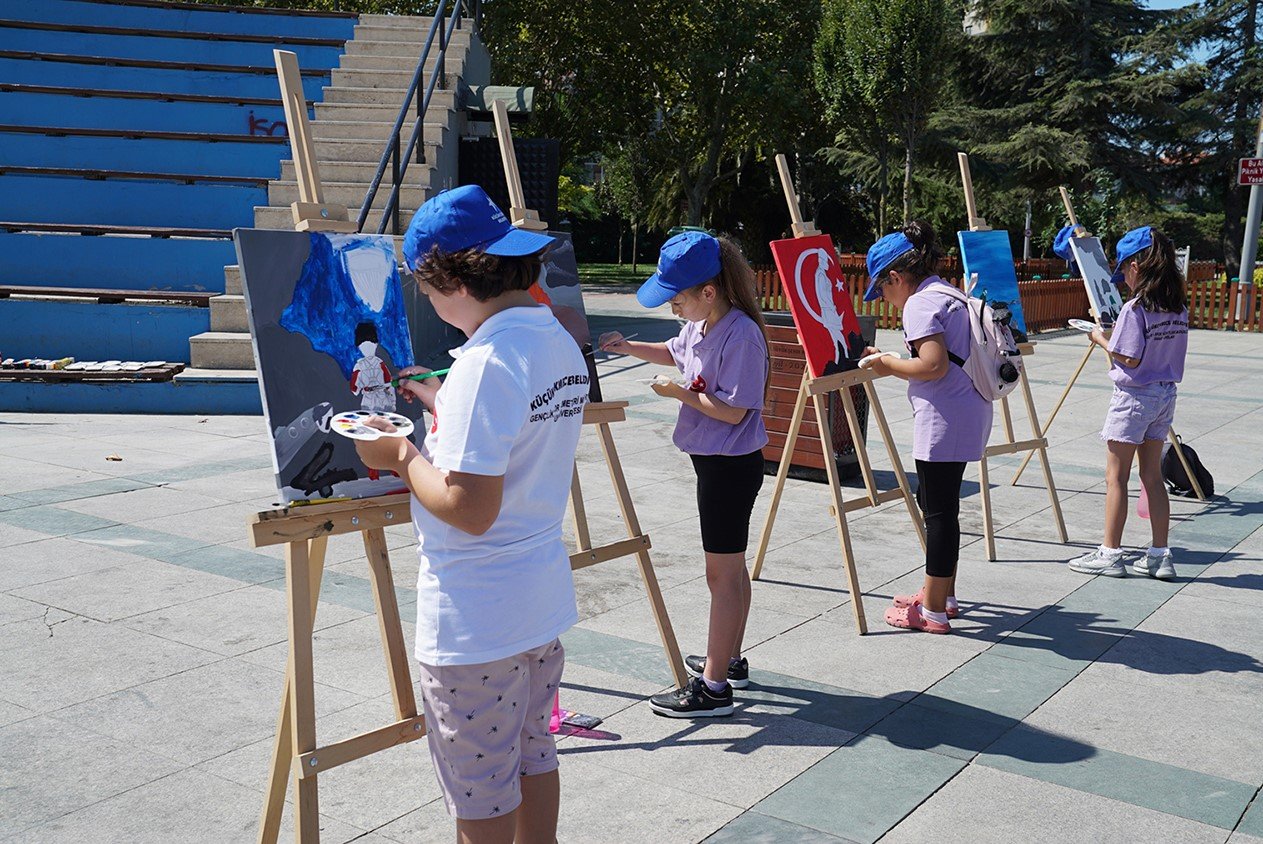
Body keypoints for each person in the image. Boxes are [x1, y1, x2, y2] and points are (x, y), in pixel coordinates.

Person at [353, 184, 590, 844]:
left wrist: (401, 454)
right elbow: (516, 443)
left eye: (425, 290)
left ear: (452, 277)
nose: (426, 305)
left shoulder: (486, 364)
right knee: (534, 753)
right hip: (536, 602)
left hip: (475, 619)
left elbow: (468, 508)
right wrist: (441, 405)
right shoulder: (555, 339)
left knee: (481, 792)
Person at [599, 230, 769, 717]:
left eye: (677, 299)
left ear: (708, 293)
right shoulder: (701, 325)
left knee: (721, 575)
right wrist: (628, 346)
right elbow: (673, 350)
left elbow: (733, 411)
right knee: (731, 570)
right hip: (713, 461)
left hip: (730, 466)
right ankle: (728, 656)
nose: (673, 307)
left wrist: (676, 395)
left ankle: (713, 687)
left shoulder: (741, 335)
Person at [860, 221, 993, 634]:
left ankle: (932, 610)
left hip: (944, 418)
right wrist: (895, 357)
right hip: (968, 410)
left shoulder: (919, 303)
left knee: (937, 512)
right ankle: (942, 593)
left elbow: (931, 365)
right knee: (942, 506)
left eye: (882, 288)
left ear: (896, 277)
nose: (884, 297)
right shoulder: (950, 294)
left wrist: (884, 364)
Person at [1069, 225, 1188, 580]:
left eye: (1123, 268)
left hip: (1135, 397)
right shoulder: (1175, 305)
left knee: (1115, 477)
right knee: (1152, 476)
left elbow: (1128, 358)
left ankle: (1110, 552)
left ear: (1138, 265)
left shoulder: (1135, 309)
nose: (1121, 276)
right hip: (1165, 395)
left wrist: (1099, 338)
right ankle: (1159, 554)